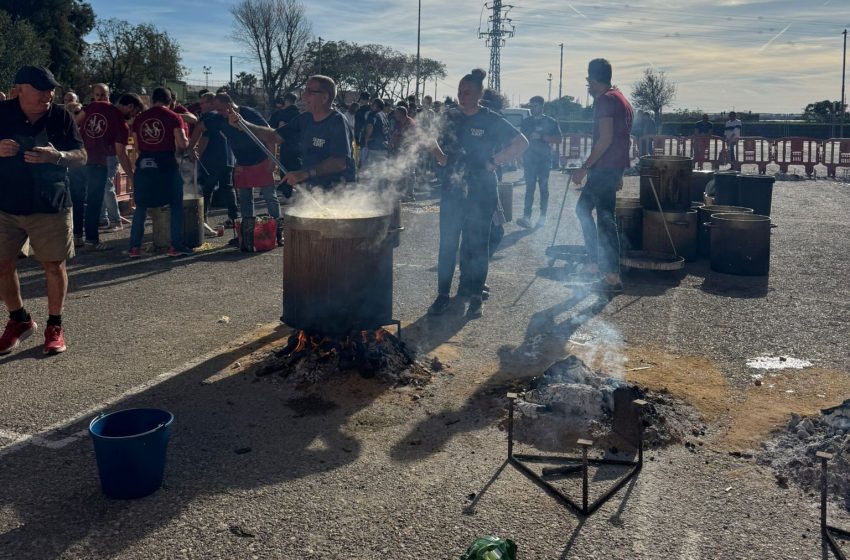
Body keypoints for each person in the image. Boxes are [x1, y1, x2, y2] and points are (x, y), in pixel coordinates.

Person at [0, 66, 87, 355]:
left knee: (53, 265)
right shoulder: (3, 112)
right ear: (20, 89)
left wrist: (57, 156)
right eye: (41, 89)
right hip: (7, 204)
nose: (48, 95)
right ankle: (19, 320)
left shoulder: (61, 116)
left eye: (51, 89)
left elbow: (81, 156)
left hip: (50, 204)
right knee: (2, 264)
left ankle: (54, 325)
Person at [428, 68, 528, 318]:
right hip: (453, 189)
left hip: (482, 191)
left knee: (478, 245)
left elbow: (521, 142)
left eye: (468, 92)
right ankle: (442, 296)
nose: (462, 96)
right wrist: (439, 155)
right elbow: (427, 136)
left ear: (479, 94)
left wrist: (495, 160)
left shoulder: (490, 119)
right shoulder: (450, 116)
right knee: (447, 244)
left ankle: (475, 297)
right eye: (460, 92)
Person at [570, 58, 633, 294]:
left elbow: (605, 139)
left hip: (603, 169)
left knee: (605, 220)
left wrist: (584, 167)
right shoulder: (621, 99)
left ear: (592, 79)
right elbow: (623, 139)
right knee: (587, 211)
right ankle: (596, 265)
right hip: (611, 168)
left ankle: (610, 276)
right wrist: (620, 172)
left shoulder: (605, 100)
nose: (587, 84)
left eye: (588, 80)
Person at [231, 74, 355, 192]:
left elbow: (339, 162)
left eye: (309, 91)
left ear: (325, 97)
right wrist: (243, 125)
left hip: (338, 193)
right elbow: (274, 136)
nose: (304, 96)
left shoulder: (337, 122)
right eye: (304, 91)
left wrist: (305, 173)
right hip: (312, 191)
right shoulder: (304, 119)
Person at [210, 92, 281, 250]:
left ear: (229, 105)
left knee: (270, 197)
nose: (218, 113)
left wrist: (272, 159)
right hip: (242, 163)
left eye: (220, 109)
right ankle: (248, 235)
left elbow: (270, 135)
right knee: (245, 199)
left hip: (261, 159)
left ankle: (278, 232)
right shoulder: (219, 119)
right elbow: (201, 125)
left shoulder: (248, 113)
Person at [127, 87, 192, 258]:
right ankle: (175, 246)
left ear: (151, 100)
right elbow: (182, 143)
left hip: (144, 165)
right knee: (176, 205)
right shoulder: (173, 116)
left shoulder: (139, 118)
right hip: (167, 166)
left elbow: (136, 146)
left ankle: (134, 248)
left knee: (141, 207)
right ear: (170, 102)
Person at [73, 91, 141, 248]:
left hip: (78, 159)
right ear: (130, 106)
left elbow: (76, 122)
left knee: (77, 199)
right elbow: (121, 154)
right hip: (97, 163)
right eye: (134, 112)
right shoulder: (121, 125)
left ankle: (76, 237)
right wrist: (131, 176)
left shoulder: (95, 105)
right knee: (93, 202)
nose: (133, 117)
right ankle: (91, 240)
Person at [187, 92, 239, 233]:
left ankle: (202, 220)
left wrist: (194, 151)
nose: (201, 106)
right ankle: (234, 218)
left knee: (207, 189)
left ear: (211, 103)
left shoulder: (211, 116)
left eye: (203, 103)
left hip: (212, 159)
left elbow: (204, 136)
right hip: (228, 159)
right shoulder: (226, 116)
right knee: (228, 188)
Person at [517, 95, 562, 229]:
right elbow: (520, 140)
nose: (532, 108)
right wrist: (519, 156)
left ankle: (542, 217)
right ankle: (527, 217)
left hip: (544, 160)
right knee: (529, 188)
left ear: (542, 106)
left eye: (535, 106)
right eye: (531, 105)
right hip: (529, 159)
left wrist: (542, 137)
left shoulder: (551, 121)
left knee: (543, 188)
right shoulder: (526, 122)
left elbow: (559, 139)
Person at [362, 98, 390, 168]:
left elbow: (370, 127)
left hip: (374, 147)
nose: (371, 105)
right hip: (384, 147)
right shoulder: (384, 115)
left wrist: (366, 142)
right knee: (380, 172)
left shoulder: (373, 114)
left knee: (370, 171)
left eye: (373, 103)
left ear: (376, 105)